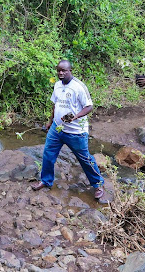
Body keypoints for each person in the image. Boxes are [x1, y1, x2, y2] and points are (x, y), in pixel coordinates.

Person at [32, 60, 105, 200]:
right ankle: (46, 180)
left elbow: (89, 107)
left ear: (70, 70)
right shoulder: (57, 85)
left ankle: (98, 184)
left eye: (64, 70)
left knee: (85, 159)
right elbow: (54, 105)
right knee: (48, 153)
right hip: (57, 129)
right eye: (59, 70)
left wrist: (75, 117)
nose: (61, 73)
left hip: (76, 131)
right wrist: (50, 122)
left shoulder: (78, 87)